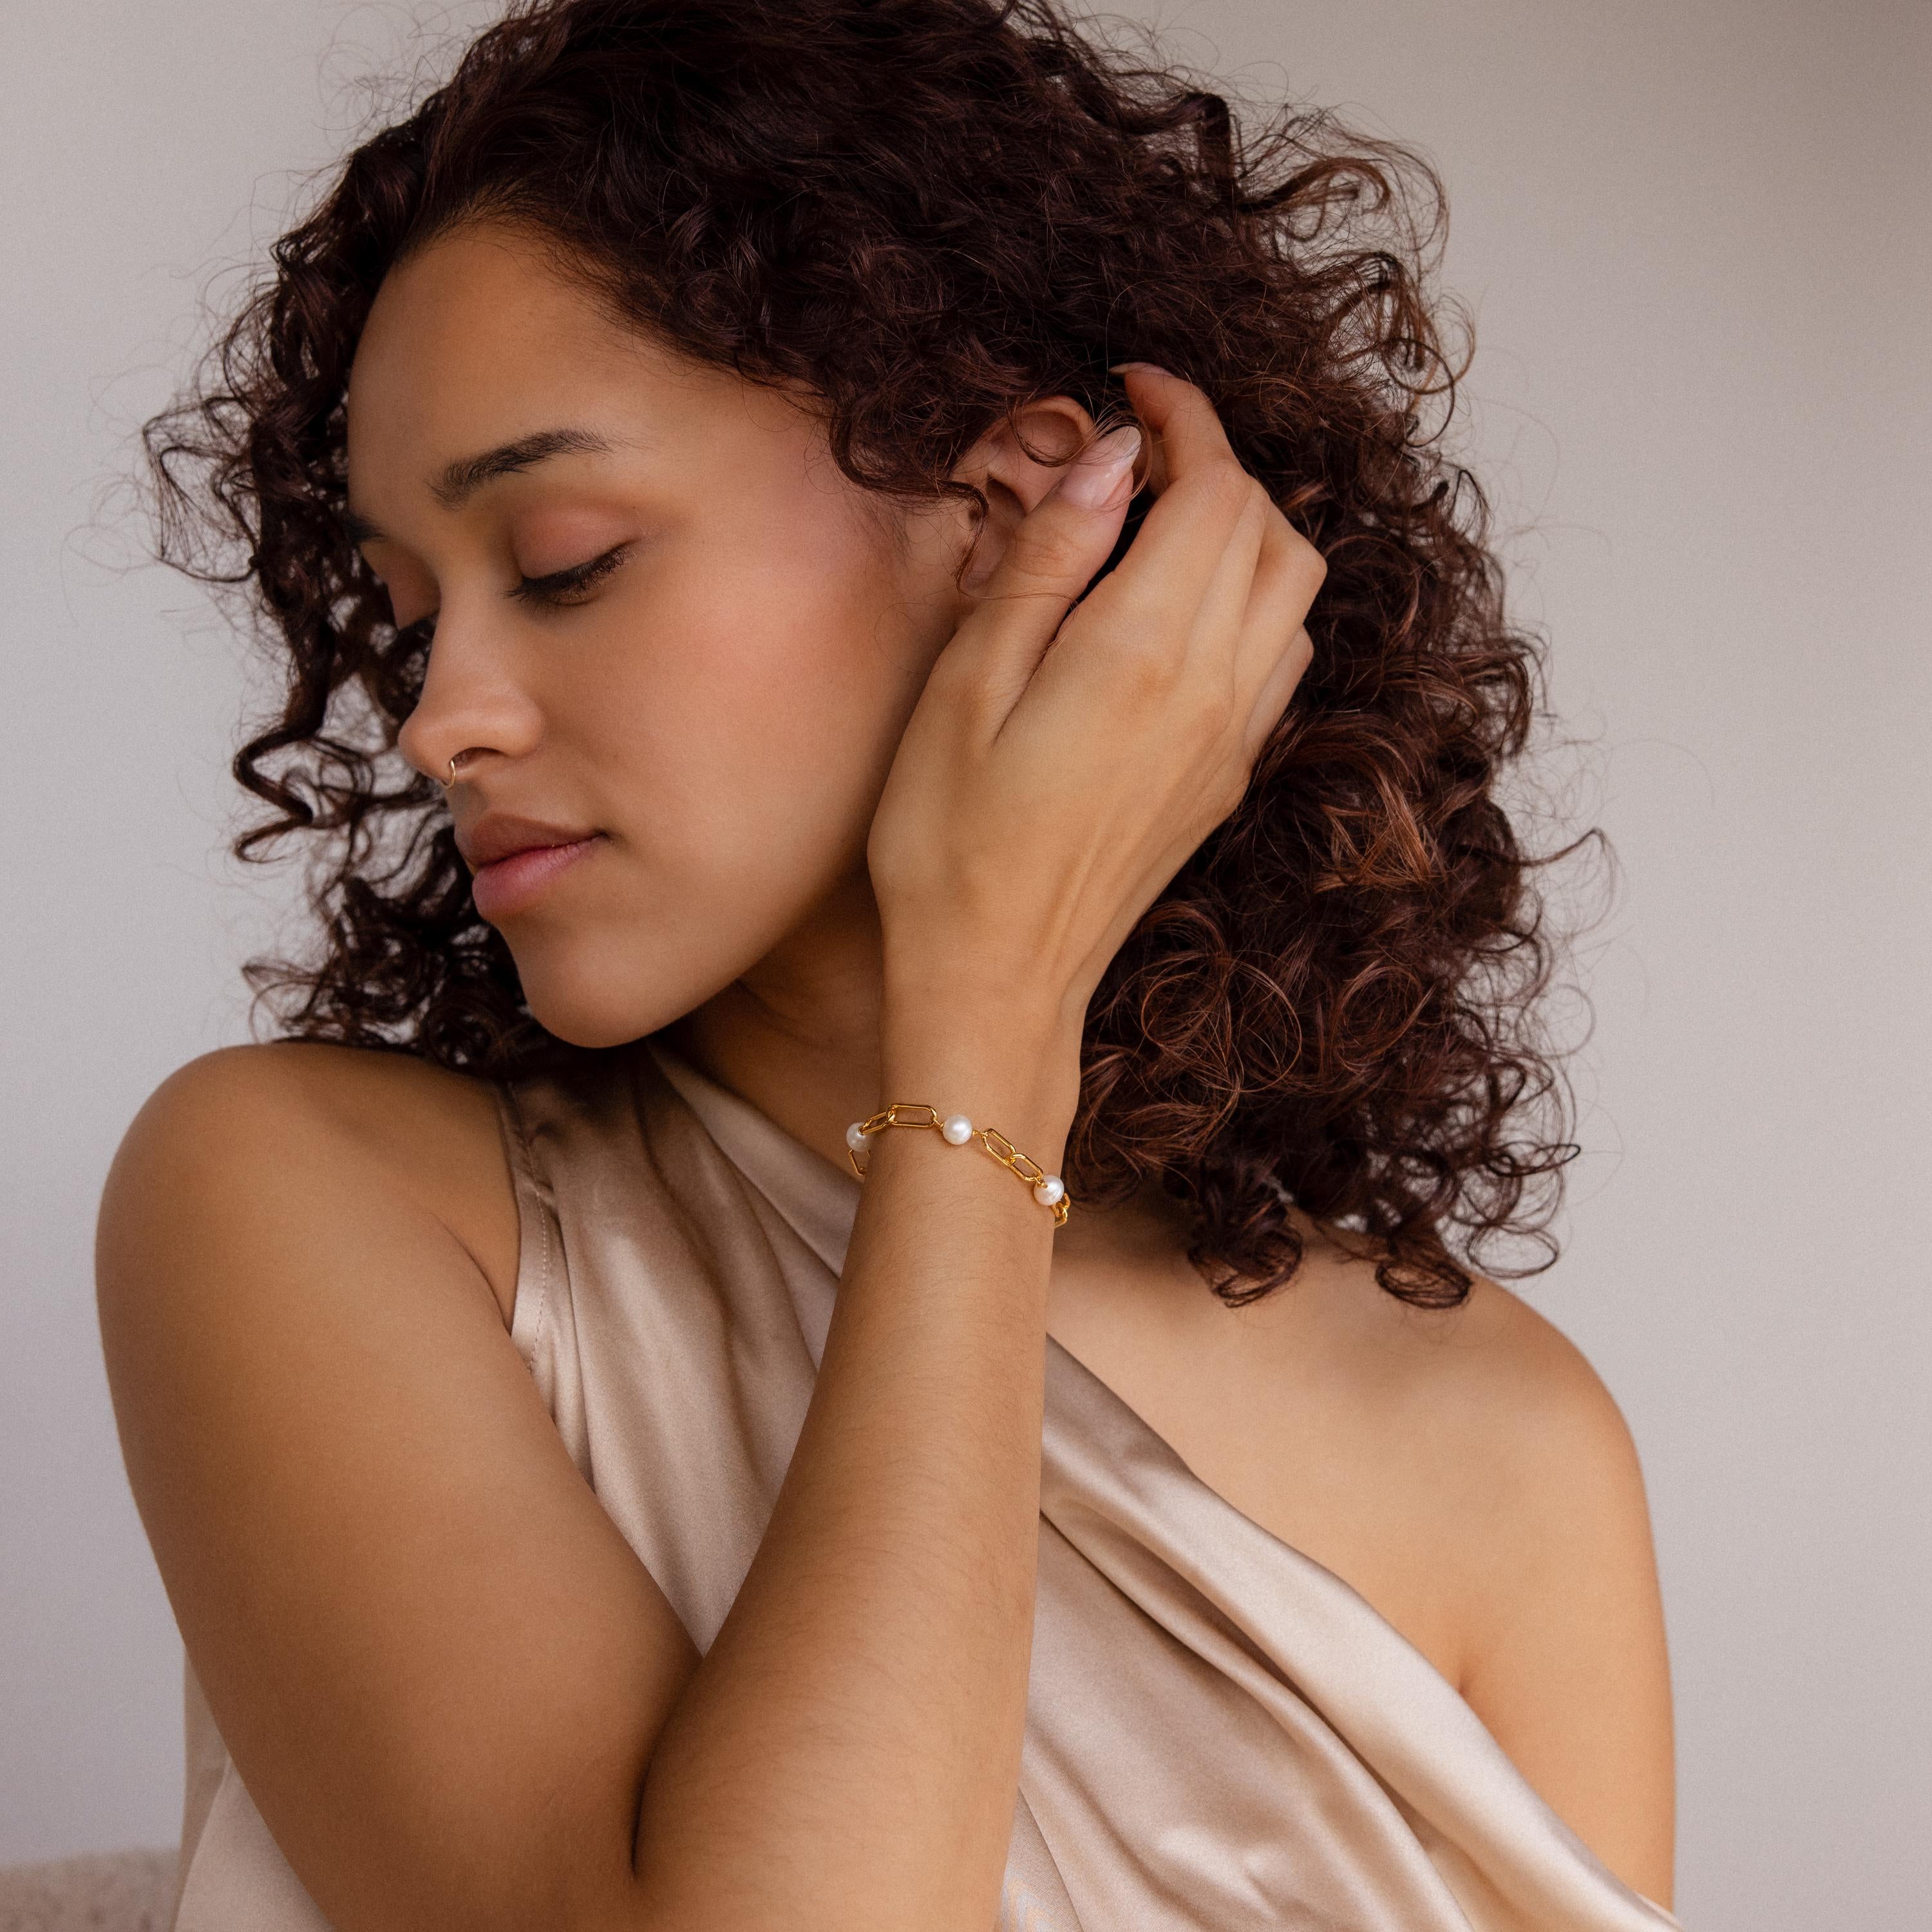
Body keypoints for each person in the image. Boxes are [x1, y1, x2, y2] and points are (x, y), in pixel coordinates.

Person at [98, 1, 1680, 1926]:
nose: (442, 721)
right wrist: (989, 1021)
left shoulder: (1508, 1447)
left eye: (570, 556)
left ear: (1006, 514)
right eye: (410, 616)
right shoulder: (308, 1203)